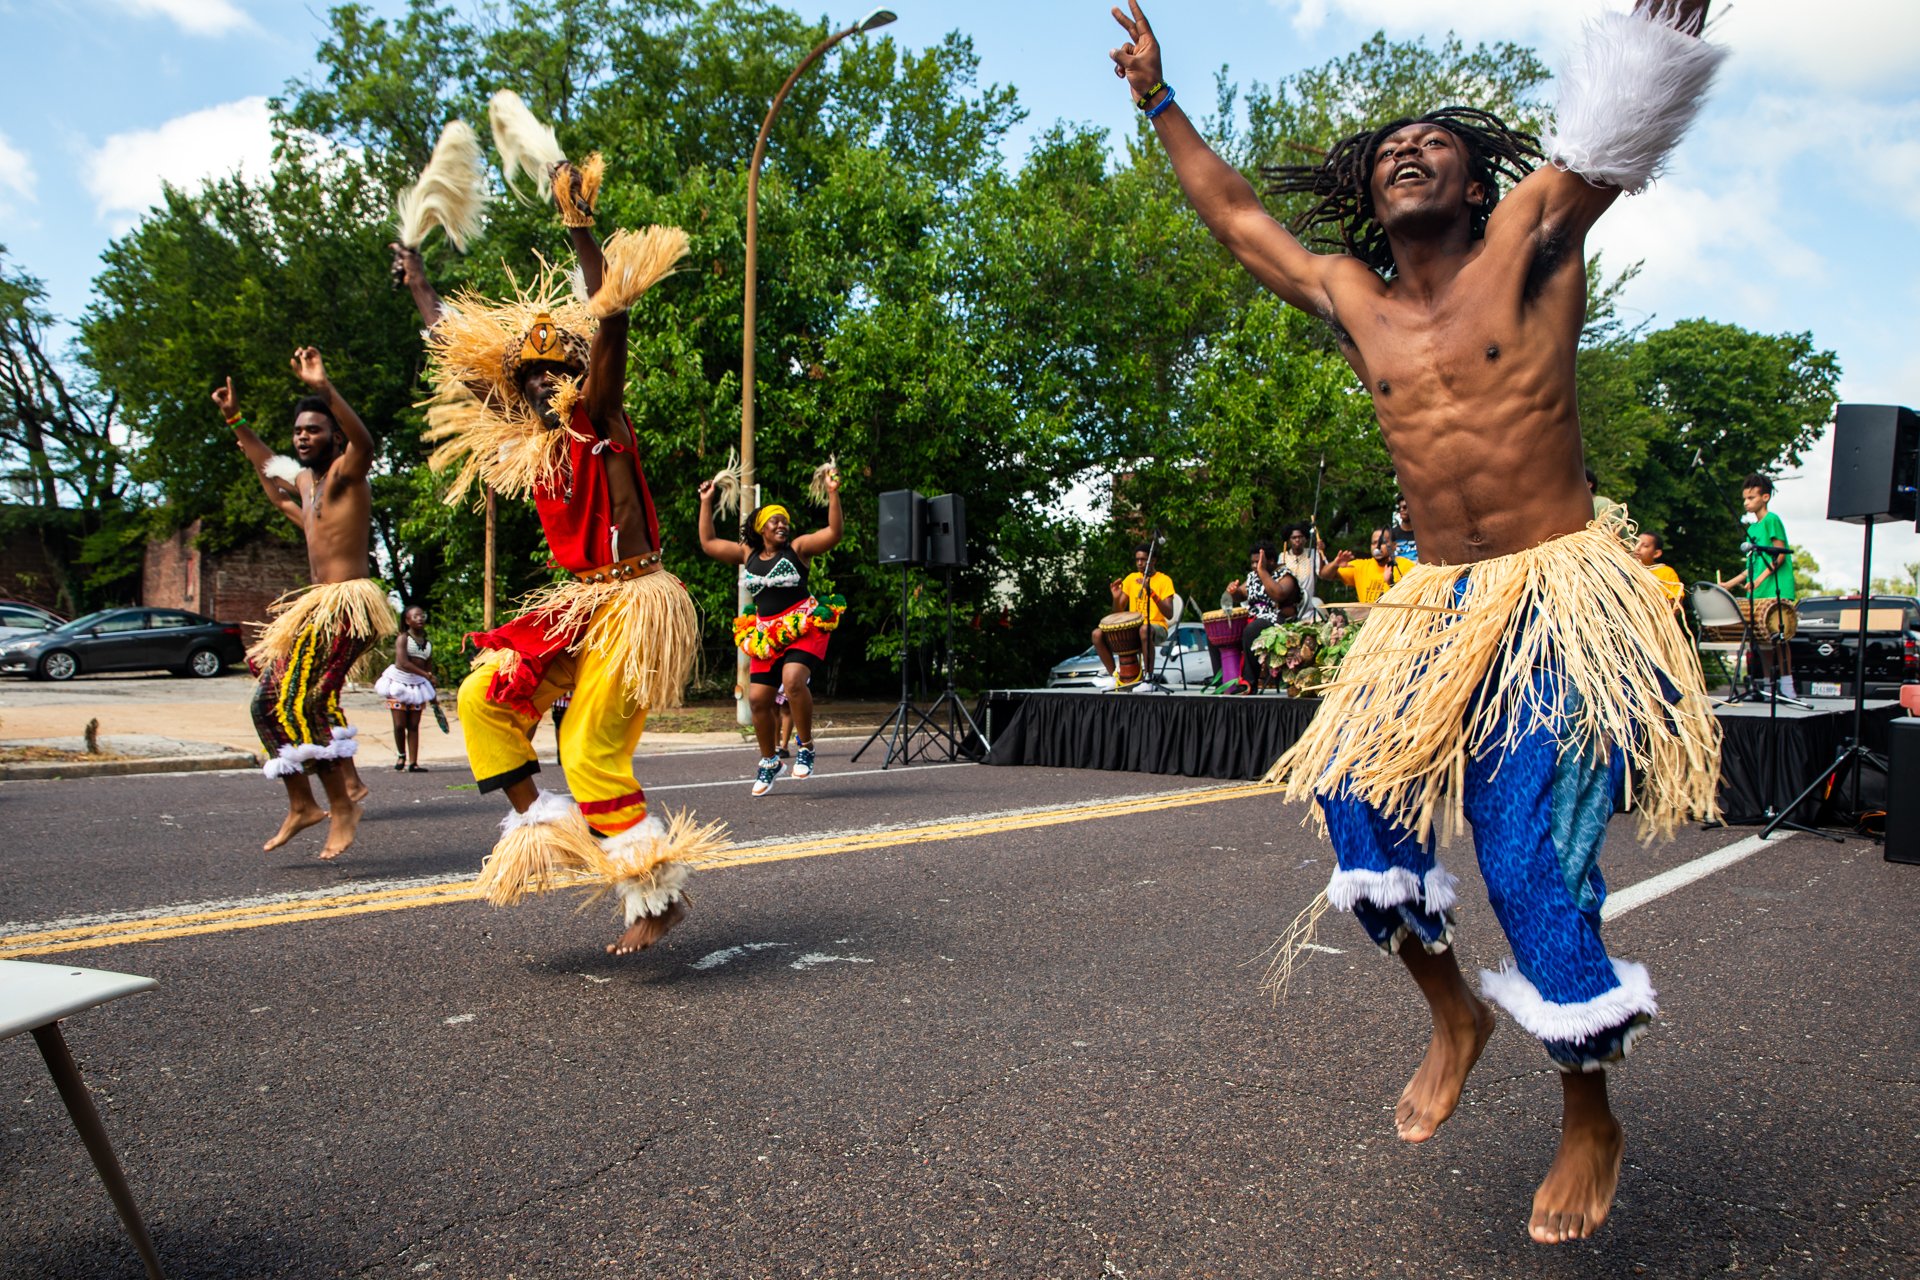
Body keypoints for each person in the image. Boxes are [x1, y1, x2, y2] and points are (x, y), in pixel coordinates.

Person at [1111, 0, 1724, 1244]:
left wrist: (1662, 31)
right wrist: (1158, 101)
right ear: (1365, 190)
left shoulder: (1534, 239)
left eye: (1434, 140)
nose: (1407, 149)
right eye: (1388, 146)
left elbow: (1614, 134)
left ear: (1474, 172)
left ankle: (1587, 1105)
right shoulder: (1352, 298)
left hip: (1560, 598)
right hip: (1434, 607)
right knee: (1350, 794)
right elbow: (1238, 221)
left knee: (1528, 861)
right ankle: (1453, 1008)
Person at [416, 153, 720, 956]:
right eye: (534, 376)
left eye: (562, 371)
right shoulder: (531, 442)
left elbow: (609, 318)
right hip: (578, 602)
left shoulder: (598, 420)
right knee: (483, 696)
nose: (549, 383)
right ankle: (539, 821)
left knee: (588, 747)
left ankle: (655, 893)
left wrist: (583, 236)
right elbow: (455, 361)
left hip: (634, 600)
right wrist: (417, 285)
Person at [216, 350, 395, 861]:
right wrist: (235, 419)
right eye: (299, 431)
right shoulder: (305, 483)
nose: (302, 437)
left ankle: (342, 804)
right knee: (266, 705)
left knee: (303, 703)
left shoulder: (344, 472)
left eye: (314, 429)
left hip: (346, 607)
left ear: (333, 437)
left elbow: (366, 441)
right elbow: (270, 471)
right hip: (316, 608)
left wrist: (326, 387)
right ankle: (302, 803)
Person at [698, 475, 847, 797]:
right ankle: (769, 761)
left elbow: (834, 533)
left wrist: (833, 494)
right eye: (774, 521)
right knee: (757, 699)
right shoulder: (747, 554)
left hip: (802, 625)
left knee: (793, 681)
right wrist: (707, 501)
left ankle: (805, 746)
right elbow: (709, 544)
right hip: (766, 632)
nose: (782, 525)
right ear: (760, 528)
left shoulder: (798, 549)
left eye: (785, 521)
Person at [1718, 473, 1798, 699]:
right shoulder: (1751, 530)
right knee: (1761, 638)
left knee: (1779, 637)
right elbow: (1750, 566)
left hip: (1775, 586)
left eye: (1751, 498)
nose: (1746, 503)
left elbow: (1779, 555)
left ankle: (1787, 684)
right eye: (1745, 498)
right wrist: (1730, 584)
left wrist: (1760, 580)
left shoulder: (1772, 520)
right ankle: (1766, 684)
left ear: (1765, 497)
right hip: (1759, 589)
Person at [1221, 540, 1301, 693]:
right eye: (1252, 563)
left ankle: (1249, 683)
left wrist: (1262, 571)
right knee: (1224, 631)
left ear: (1270, 561)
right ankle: (1226, 680)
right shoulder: (1253, 577)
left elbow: (1279, 594)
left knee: (1252, 630)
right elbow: (1242, 595)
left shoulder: (1286, 576)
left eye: (1257, 562)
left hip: (1278, 621)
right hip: (1254, 619)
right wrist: (1234, 591)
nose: (1254, 566)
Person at [1092, 545, 1175, 682]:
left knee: (1144, 629)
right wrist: (1116, 598)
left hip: (1157, 628)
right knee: (1097, 634)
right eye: (1137, 560)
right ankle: (1115, 677)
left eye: (1143, 559)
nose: (1139, 563)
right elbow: (1118, 613)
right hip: (1133, 629)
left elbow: (1169, 613)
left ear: (1153, 560)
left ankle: (1148, 679)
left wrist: (1152, 593)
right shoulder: (1131, 579)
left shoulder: (1164, 580)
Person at [375, 605, 436, 771]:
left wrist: (431, 685)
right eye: (415, 616)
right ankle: (401, 755)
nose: (420, 619)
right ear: (407, 621)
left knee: (414, 725)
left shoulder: (428, 644)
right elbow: (403, 662)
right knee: (400, 724)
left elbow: (428, 667)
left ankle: (413, 762)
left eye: (421, 615)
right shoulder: (403, 638)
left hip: (418, 685)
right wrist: (426, 674)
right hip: (399, 684)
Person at [1322, 528, 1414, 604]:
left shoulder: (1407, 566)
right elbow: (1325, 575)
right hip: (1366, 622)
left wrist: (1391, 583)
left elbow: (1412, 599)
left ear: (1394, 546)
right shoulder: (1360, 566)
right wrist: (1335, 564)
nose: (1377, 547)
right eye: (1374, 543)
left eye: (1382, 542)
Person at [1277, 523, 1328, 621]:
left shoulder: (1313, 554)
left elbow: (1322, 573)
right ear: (1289, 540)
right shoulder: (1282, 557)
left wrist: (1321, 552)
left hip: (1309, 609)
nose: (1297, 540)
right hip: (1289, 610)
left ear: (1305, 538)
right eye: (1294, 537)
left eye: (1300, 537)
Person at [1633, 533, 1686, 621]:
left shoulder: (1666, 572)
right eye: (1636, 543)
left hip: (1658, 625)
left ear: (1656, 553)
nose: (1637, 548)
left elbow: (1677, 607)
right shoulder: (1625, 570)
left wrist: (1650, 600)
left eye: (1645, 546)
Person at [1391, 495, 1419, 563]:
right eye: (1399, 508)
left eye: (1405, 507)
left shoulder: (1421, 533)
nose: (1401, 510)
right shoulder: (1392, 533)